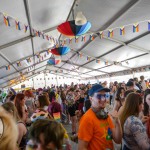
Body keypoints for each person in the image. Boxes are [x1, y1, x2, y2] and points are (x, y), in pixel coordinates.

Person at [78, 84, 122, 150]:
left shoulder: (105, 115)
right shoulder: (87, 119)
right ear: (91, 98)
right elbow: (81, 148)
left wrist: (118, 122)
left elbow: (118, 140)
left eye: (105, 96)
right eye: (99, 96)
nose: (103, 99)